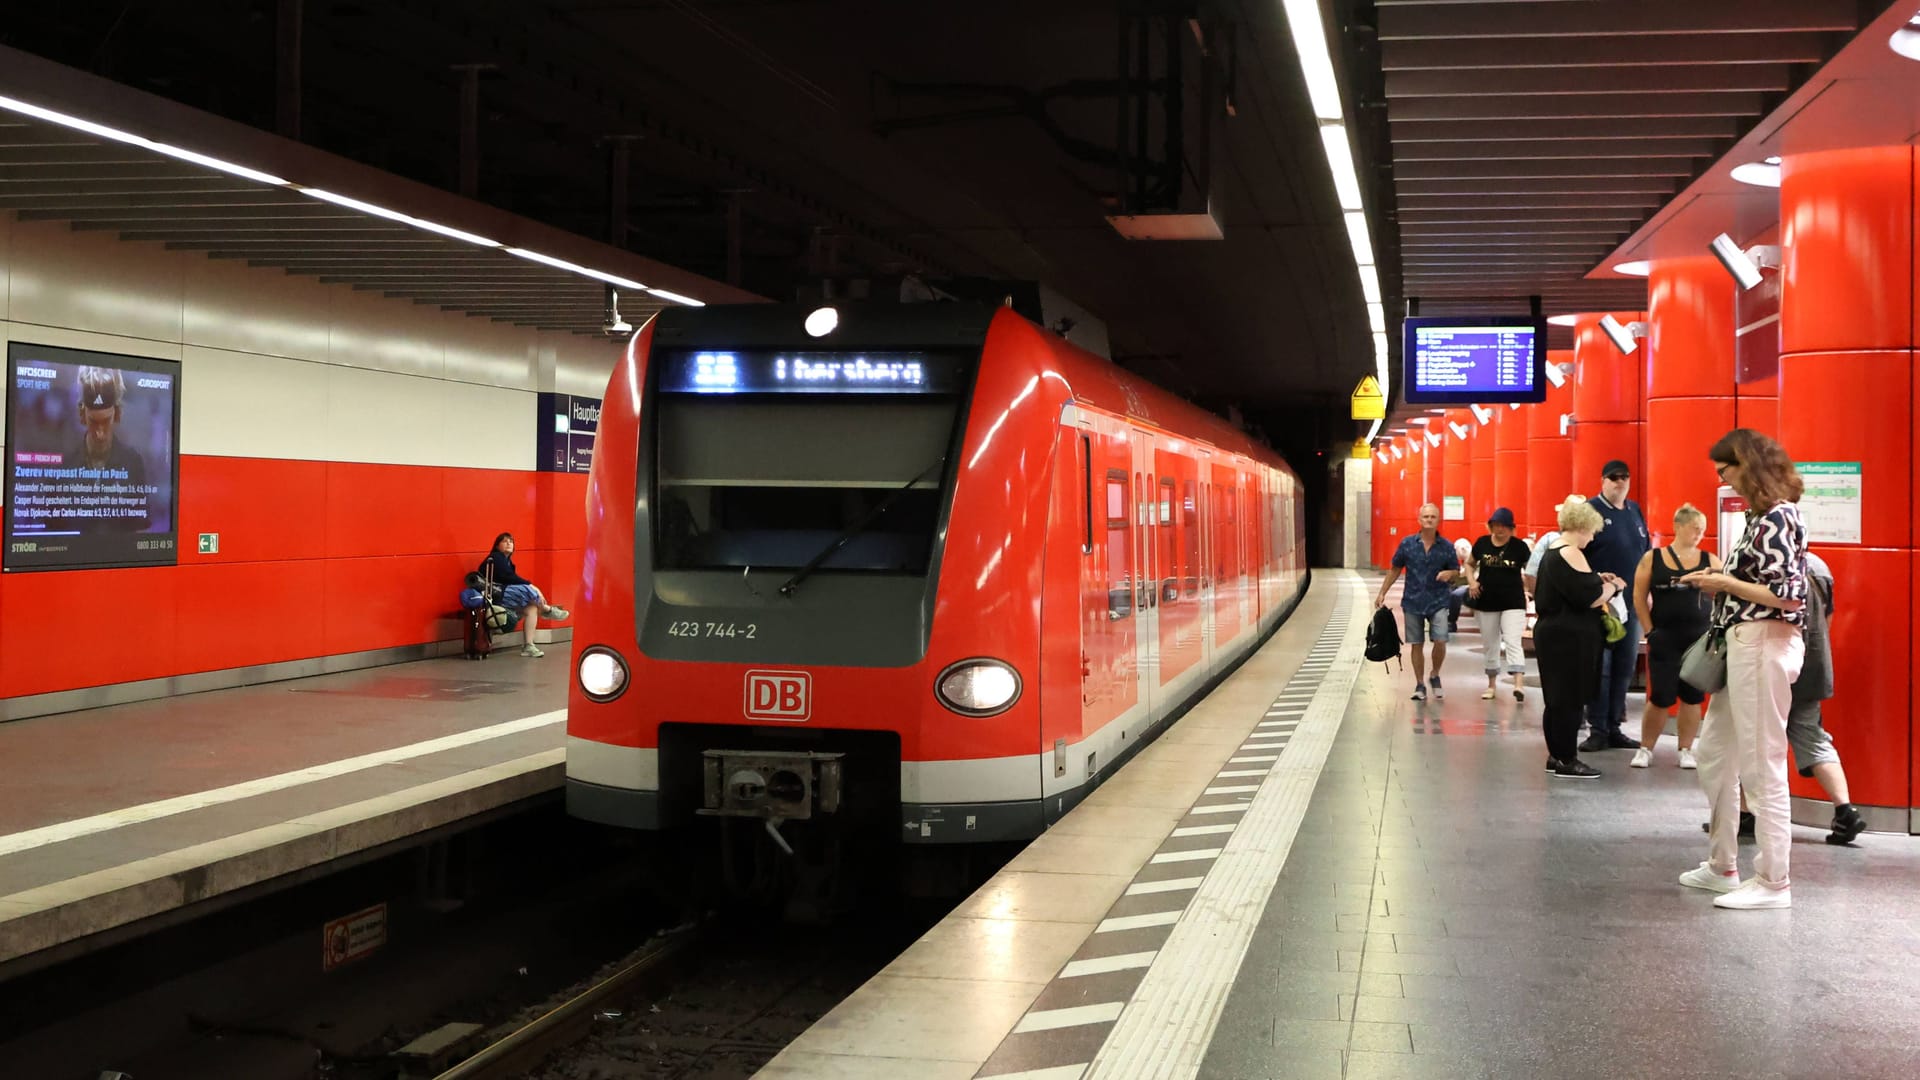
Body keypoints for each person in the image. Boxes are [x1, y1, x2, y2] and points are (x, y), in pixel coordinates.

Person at [1676, 429, 1807, 910]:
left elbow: (1787, 595)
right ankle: (1723, 865)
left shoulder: (1776, 517)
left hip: (1762, 643)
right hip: (1745, 643)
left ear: (1746, 466)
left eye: (1725, 469)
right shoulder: (1762, 517)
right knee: (1715, 754)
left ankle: (1774, 880)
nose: (1723, 479)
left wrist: (1723, 582)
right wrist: (1722, 584)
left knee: (1761, 762)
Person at [1532, 495, 1626, 779]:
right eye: (1593, 532)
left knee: (1557, 699)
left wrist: (1597, 577)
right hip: (1570, 638)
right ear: (1583, 527)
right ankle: (1567, 759)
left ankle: (1556, 754)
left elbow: (1574, 585)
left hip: (1553, 633)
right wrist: (1614, 588)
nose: (1593, 538)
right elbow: (1590, 598)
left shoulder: (1553, 551)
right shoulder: (1572, 552)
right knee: (1571, 699)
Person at [1630, 503, 1719, 769]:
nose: (1699, 534)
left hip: (1698, 636)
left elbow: (1725, 590)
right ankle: (1645, 748)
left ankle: (1686, 748)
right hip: (1664, 635)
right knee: (1660, 695)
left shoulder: (1710, 560)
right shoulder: (1653, 558)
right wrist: (1649, 630)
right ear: (1678, 527)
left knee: (1692, 696)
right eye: (1694, 528)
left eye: (1702, 530)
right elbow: (1638, 596)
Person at [1787, 552, 1867, 845]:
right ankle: (1845, 811)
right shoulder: (1819, 566)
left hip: (1774, 662)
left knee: (1755, 738)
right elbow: (1827, 617)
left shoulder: (1767, 562)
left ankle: (1746, 813)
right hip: (1813, 663)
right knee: (1813, 737)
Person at [1581, 460, 1652, 753]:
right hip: (1602, 602)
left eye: (1624, 477)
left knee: (1624, 666)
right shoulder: (1591, 511)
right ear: (1602, 481)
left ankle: (1614, 726)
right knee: (1602, 667)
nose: (1619, 482)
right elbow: (1578, 552)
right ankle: (1597, 727)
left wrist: (1648, 592)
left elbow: (1645, 551)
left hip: (1631, 601)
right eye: (1613, 477)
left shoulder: (1634, 511)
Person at [1375, 503, 1461, 702]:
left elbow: (1457, 571)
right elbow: (1395, 568)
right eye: (1426, 517)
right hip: (1413, 601)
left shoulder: (1447, 546)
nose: (1429, 520)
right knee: (1416, 643)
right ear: (1419, 520)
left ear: (1438, 520)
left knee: (1440, 639)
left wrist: (1450, 573)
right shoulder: (1407, 544)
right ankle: (1420, 684)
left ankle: (1435, 674)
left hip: (1438, 600)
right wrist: (1382, 593)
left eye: (1433, 517)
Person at [64, 366, 150, 530]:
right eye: (93, 421)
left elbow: (141, 530)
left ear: (117, 415)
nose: (100, 433)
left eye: (106, 421)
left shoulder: (133, 463)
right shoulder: (65, 465)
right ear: (82, 416)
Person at [1466, 507, 1531, 701]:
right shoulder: (1482, 543)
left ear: (1512, 528)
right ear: (1490, 526)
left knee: (1512, 640)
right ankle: (1491, 685)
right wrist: (1471, 582)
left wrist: (1531, 588)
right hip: (1487, 601)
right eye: (1496, 525)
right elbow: (1469, 563)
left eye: (1504, 526)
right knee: (1490, 644)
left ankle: (1518, 684)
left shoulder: (1520, 547)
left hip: (1514, 601)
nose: (1500, 529)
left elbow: (1531, 570)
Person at [479, 532, 571, 658]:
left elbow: (511, 579)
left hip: (502, 595)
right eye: (505, 541)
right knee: (526, 589)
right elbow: (510, 578)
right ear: (497, 546)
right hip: (495, 596)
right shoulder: (496, 557)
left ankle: (529, 645)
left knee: (531, 608)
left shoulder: (507, 562)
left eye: (511, 541)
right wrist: (533, 587)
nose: (509, 543)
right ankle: (546, 609)